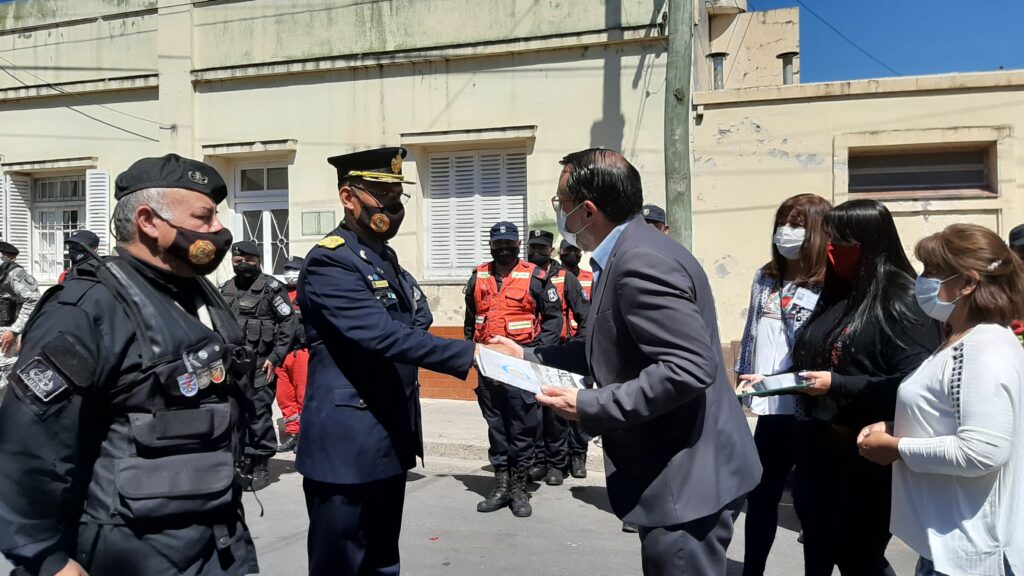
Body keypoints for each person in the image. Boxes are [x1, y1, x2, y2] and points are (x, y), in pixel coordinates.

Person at [494, 148, 761, 576]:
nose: (560, 215)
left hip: (684, 480)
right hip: (682, 470)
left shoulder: (640, 261)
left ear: (587, 210)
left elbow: (688, 368)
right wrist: (526, 354)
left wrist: (590, 406)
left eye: (561, 205)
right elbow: (606, 345)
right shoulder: (628, 252)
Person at [0, 153, 259, 575]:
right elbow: (30, 445)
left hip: (218, 540)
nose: (219, 230)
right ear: (148, 220)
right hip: (128, 551)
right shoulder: (86, 310)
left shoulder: (196, 295)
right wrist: (46, 558)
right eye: (204, 217)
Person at [297, 147, 509, 576]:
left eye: (397, 195)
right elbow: (383, 334)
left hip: (388, 436)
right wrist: (474, 354)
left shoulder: (385, 260)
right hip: (346, 443)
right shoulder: (331, 261)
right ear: (347, 197)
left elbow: (417, 319)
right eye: (380, 194)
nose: (392, 207)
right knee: (341, 563)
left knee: (382, 561)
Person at [858, 223, 1023, 576]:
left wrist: (897, 448)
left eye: (932, 271)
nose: (922, 280)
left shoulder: (982, 349)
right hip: (948, 546)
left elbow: (982, 451)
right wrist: (898, 428)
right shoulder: (963, 339)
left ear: (968, 282)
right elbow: (954, 416)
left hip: (969, 556)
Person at [789, 199, 941, 576]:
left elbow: (913, 385)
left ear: (867, 244)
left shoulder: (901, 298)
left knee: (858, 555)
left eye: (838, 240)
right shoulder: (842, 289)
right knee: (821, 550)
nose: (828, 248)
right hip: (818, 449)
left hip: (866, 458)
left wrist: (837, 385)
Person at [735, 193, 831, 576]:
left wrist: (785, 381)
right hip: (770, 408)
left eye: (797, 224)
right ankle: (751, 570)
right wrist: (744, 377)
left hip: (809, 408)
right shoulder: (766, 276)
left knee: (810, 505)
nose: (787, 232)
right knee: (761, 497)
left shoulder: (830, 284)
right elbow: (752, 331)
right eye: (783, 223)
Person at [465, 221, 563, 517]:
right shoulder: (478, 275)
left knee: (522, 427)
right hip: (487, 364)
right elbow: (472, 318)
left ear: (518, 245)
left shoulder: (534, 276)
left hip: (519, 365)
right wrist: (470, 352)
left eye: (509, 244)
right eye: (499, 244)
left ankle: (519, 489)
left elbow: (553, 319)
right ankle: (501, 485)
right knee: (496, 427)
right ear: (491, 245)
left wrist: (534, 355)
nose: (504, 249)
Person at [220, 240, 298, 490]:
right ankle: (241, 461)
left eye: (248, 260)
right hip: (232, 366)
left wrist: (276, 358)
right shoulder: (225, 288)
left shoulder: (271, 289)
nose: (242, 264)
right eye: (237, 261)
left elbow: (288, 324)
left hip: (261, 365)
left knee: (258, 414)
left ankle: (261, 464)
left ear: (258, 260)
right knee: (234, 415)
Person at [526, 229, 590, 487]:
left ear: (551, 251)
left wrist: (576, 347)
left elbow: (584, 315)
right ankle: (538, 461)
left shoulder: (565, 278)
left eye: (542, 248)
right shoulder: (524, 275)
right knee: (535, 412)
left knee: (556, 414)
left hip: (561, 353)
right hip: (531, 352)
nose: (536, 252)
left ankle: (558, 463)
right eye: (533, 248)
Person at [557, 238, 594, 480]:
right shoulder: (551, 276)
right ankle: (558, 459)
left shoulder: (592, 278)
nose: (571, 253)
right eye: (567, 250)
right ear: (559, 252)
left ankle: (578, 455)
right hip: (557, 348)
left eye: (575, 250)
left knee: (581, 404)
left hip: (583, 348)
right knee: (558, 406)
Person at [275, 255, 308, 453]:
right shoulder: (279, 294)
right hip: (281, 353)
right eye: (287, 269)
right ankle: (293, 433)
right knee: (284, 397)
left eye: (294, 269)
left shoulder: (308, 292)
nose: (289, 273)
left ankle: (305, 435)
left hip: (302, 352)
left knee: (303, 396)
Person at [0, 241, 40, 399]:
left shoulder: (13, 273)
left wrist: (15, 330)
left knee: (4, 380)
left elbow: (34, 299)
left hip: (5, 332)